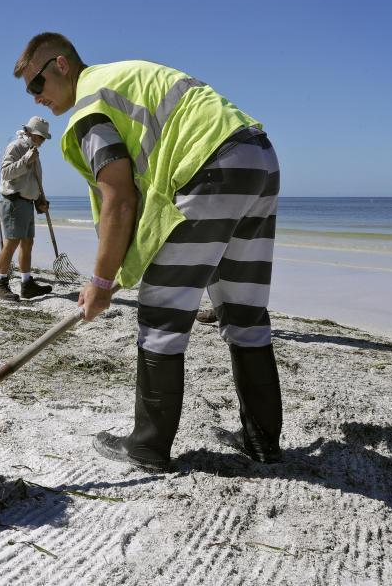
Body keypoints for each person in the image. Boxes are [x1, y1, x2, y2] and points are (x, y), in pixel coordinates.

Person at [14, 32, 282, 472]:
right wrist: (113, 269)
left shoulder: (89, 106)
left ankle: (148, 446)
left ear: (61, 65)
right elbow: (139, 203)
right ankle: (262, 441)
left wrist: (100, 283)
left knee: (161, 316)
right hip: (258, 157)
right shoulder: (121, 78)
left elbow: (120, 200)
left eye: (35, 85)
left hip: (209, 166)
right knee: (245, 312)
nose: (36, 98)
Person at [0, 116, 55, 301]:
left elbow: (33, 181)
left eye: (44, 138)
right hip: (13, 201)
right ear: (31, 133)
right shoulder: (16, 147)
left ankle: (26, 284)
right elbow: (5, 173)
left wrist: (39, 202)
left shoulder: (33, 150)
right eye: (41, 137)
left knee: (28, 242)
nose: (43, 140)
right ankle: (0, 284)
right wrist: (27, 159)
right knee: (11, 242)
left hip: (27, 203)